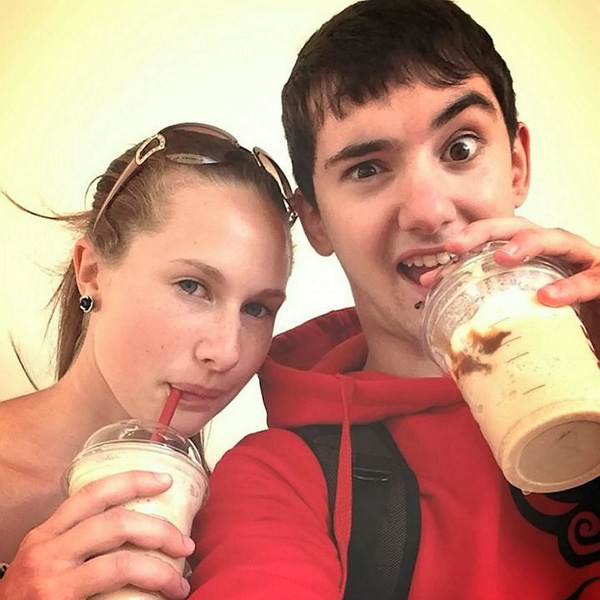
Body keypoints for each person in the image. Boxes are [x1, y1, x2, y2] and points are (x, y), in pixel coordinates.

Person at [188, 1, 600, 598]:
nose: (429, 211)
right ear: (316, 221)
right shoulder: (280, 480)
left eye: (460, 148)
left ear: (516, 164)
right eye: (367, 169)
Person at [0, 122, 296, 599]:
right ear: (91, 272)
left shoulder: (229, 525)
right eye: (192, 286)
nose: (227, 352)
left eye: (257, 309)